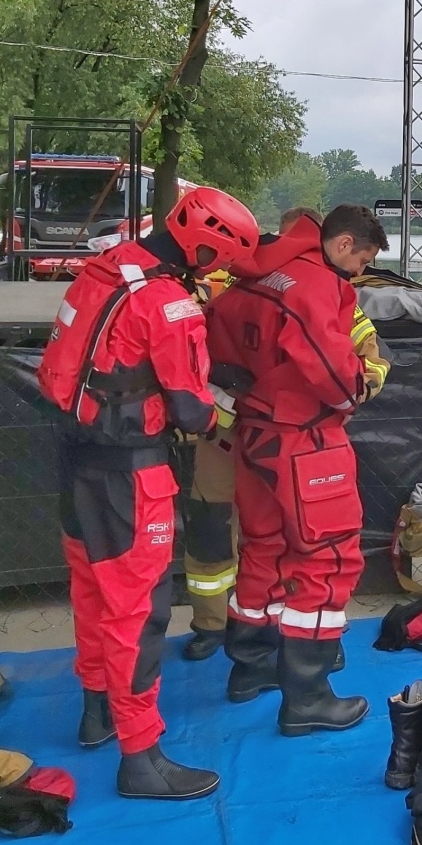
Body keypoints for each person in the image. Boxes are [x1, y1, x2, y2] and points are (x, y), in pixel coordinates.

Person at [36, 186, 259, 800]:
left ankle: (96, 713)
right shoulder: (169, 303)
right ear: (208, 249)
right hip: (130, 476)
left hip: (73, 457)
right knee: (139, 612)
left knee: (90, 590)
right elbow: (190, 411)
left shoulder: (100, 271)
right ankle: (141, 757)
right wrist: (227, 423)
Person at [204, 203, 389, 735]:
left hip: (253, 432)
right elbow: (331, 368)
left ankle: (251, 667)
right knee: (327, 558)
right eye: (362, 259)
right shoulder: (313, 283)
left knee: (262, 547)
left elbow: (216, 338)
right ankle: (307, 695)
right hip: (304, 438)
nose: (359, 272)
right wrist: (354, 388)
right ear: (343, 244)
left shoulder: (261, 274)